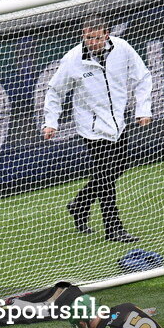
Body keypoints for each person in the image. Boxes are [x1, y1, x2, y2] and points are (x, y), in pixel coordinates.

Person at [43, 14, 153, 243]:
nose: (93, 42)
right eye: (88, 38)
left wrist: (143, 109)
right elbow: (55, 91)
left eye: (97, 38)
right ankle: (113, 228)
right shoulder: (72, 59)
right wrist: (51, 122)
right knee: (106, 177)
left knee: (118, 167)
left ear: (106, 34)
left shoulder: (122, 48)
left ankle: (79, 204)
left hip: (117, 123)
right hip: (91, 128)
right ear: (83, 36)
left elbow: (142, 77)